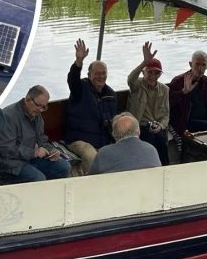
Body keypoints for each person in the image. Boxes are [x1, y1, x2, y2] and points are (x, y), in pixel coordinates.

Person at [0, 85, 71, 183]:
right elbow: (6, 150)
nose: (41, 110)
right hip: (9, 164)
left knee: (64, 167)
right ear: (27, 99)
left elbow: (42, 140)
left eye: (44, 107)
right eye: (38, 105)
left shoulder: (37, 115)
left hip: (29, 159)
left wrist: (51, 150)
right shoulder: (7, 116)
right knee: (38, 178)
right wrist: (33, 153)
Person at [66, 39, 117, 174]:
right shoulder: (80, 88)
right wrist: (79, 61)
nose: (101, 76)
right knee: (90, 155)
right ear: (89, 75)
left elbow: (112, 122)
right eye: (97, 73)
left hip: (102, 141)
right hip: (78, 140)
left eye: (103, 73)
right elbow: (72, 79)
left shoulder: (111, 95)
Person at [127, 42, 170, 164]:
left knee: (161, 139)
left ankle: (165, 169)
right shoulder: (137, 85)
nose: (153, 76)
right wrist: (144, 62)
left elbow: (166, 115)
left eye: (156, 73)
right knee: (149, 139)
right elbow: (130, 79)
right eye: (150, 72)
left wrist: (160, 126)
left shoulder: (165, 89)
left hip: (156, 127)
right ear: (143, 72)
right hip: (138, 126)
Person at [169, 50, 207, 133]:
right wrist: (183, 92)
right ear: (190, 64)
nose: (200, 68)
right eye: (197, 64)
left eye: (203, 65)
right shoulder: (178, 81)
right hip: (186, 121)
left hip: (205, 117)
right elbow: (168, 103)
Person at [88, 113, 163, 175]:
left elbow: (91, 180)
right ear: (139, 131)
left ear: (114, 134)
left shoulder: (104, 153)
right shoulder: (151, 150)